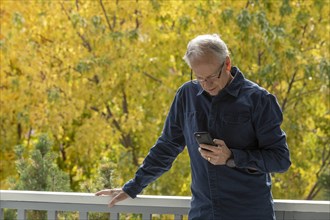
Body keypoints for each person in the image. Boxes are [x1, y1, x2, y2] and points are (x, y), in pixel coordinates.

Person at [96, 34, 291, 220]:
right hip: (203, 213)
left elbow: (280, 160)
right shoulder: (186, 96)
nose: (207, 85)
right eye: (200, 78)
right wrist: (133, 186)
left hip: (250, 214)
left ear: (227, 64)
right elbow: (166, 147)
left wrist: (232, 157)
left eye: (212, 77)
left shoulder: (259, 100)